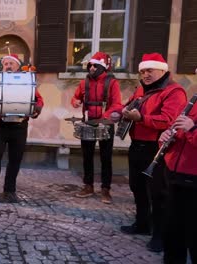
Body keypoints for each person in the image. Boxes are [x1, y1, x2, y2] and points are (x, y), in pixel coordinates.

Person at [119, 53, 187, 252]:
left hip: (158, 149)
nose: (145, 74)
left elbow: (169, 120)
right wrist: (121, 112)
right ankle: (142, 224)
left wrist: (141, 118)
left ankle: (160, 235)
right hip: (137, 145)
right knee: (137, 187)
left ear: (162, 70)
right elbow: (129, 105)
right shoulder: (141, 90)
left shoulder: (174, 92)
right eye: (142, 71)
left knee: (159, 194)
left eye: (150, 70)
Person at [0, 53, 44, 205]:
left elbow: (38, 99)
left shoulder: (27, 80)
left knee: (15, 159)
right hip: (0, 126)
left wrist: (37, 109)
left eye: (11, 63)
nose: (7, 66)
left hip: (20, 126)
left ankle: (10, 191)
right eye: (5, 63)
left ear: (18, 66)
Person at [71, 51, 123, 204]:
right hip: (88, 121)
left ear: (103, 67)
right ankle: (88, 186)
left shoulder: (112, 83)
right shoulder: (84, 83)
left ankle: (105, 189)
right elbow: (75, 97)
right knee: (87, 156)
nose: (91, 68)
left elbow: (117, 105)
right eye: (90, 65)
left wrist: (105, 117)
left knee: (106, 157)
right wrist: (75, 102)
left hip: (105, 123)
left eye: (95, 65)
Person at [160, 96, 197, 263]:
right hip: (175, 173)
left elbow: (190, 130)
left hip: (194, 178)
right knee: (173, 232)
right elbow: (176, 129)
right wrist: (167, 136)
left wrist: (192, 129)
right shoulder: (193, 101)